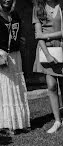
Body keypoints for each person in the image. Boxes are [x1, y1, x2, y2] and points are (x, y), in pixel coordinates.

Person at [33, 0, 63, 134]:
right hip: (46, 50)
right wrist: (47, 55)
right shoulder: (38, 8)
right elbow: (37, 35)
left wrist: (46, 35)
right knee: (51, 86)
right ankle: (57, 120)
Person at [0, 0, 30, 136]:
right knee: (4, 88)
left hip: (15, 56)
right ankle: (5, 125)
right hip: (1, 56)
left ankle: (19, 122)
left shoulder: (15, 15)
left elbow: (19, 34)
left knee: (16, 87)